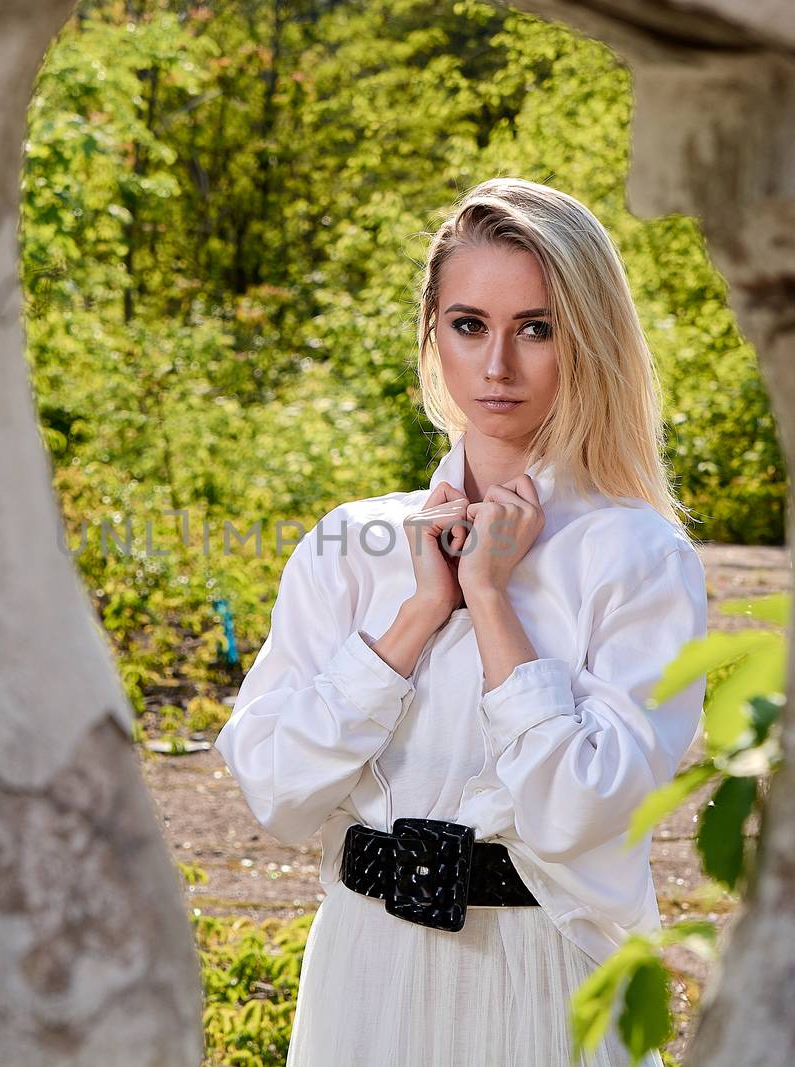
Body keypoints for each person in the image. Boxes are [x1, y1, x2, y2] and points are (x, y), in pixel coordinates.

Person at [213, 177, 708, 1067]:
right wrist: (416, 616)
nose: (498, 367)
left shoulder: (638, 555)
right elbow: (277, 792)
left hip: (542, 975)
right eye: (469, 324)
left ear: (587, 340)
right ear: (432, 335)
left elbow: (581, 811)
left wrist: (488, 599)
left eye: (538, 328)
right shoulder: (349, 543)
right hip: (363, 972)